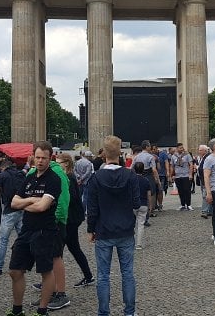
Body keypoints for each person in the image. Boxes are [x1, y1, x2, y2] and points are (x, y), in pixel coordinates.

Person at [7, 143, 65, 316]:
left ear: (50, 158)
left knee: (45, 271)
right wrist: (32, 200)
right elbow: (13, 202)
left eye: (44, 158)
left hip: (44, 231)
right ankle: (17, 310)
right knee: (14, 270)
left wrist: (25, 203)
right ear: (33, 156)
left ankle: (42, 310)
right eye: (38, 157)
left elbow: (42, 207)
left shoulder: (54, 179)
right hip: (26, 229)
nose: (40, 161)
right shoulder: (29, 177)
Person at [87, 135, 139, 316]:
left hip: (103, 229)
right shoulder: (130, 175)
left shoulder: (96, 178)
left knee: (103, 276)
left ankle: (104, 312)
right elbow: (135, 203)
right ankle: (130, 312)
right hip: (125, 229)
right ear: (121, 153)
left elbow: (92, 208)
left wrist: (90, 229)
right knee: (127, 273)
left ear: (103, 154)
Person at [55, 153, 94, 287]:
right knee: (72, 248)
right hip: (72, 217)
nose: (55, 165)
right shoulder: (68, 176)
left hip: (70, 218)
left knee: (58, 250)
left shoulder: (68, 177)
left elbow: (71, 198)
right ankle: (88, 275)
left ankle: (50, 281)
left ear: (66, 163)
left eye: (58, 162)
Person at [0, 158, 25, 276]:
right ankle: (27, 261)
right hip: (21, 208)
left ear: (3, 167)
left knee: (3, 240)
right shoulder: (21, 174)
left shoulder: (2, 175)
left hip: (9, 210)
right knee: (23, 237)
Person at [132, 162, 151, 249]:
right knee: (141, 224)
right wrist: (150, 205)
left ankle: (131, 241)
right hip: (143, 204)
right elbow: (149, 194)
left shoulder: (131, 180)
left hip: (132, 204)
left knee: (131, 224)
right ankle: (138, 244)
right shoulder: (146, 180)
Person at [170, 143, 193, 210]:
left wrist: (190, 174)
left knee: (187, 190)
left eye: (182, 148)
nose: (182, 149)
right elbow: (172, 166)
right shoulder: (173, 156)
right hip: (178, 176)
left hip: (186, 175)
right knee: (180, 191)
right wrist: (172, 175)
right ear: (177, 148)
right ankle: (182, 204)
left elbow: (191, 164)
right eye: (180, 148)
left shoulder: (187, 155)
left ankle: (188, 204)